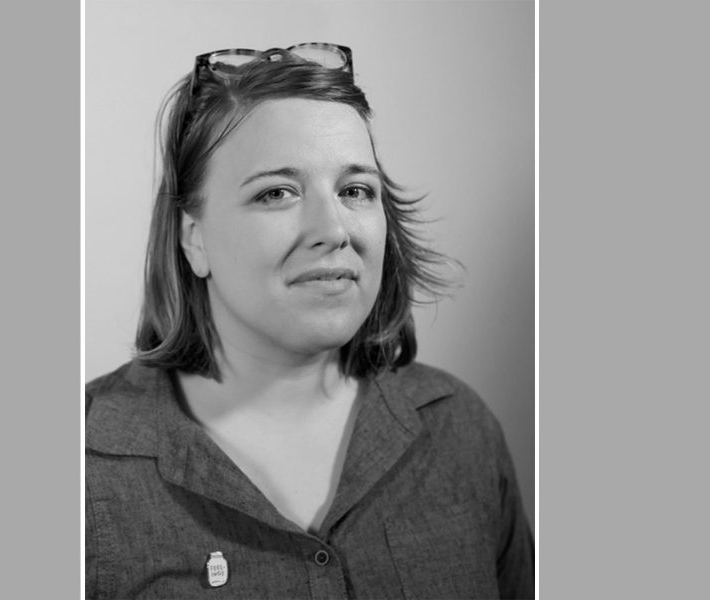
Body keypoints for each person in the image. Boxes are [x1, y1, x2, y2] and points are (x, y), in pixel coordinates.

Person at [85, 43, 534, 599]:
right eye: (277, 192)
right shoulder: (86, 467)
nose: (334, 228)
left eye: (354, 191)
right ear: (192, 238)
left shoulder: (460, 430)